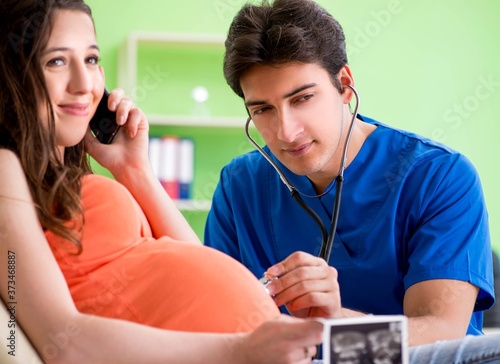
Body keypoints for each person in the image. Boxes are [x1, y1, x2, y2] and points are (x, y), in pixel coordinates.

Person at [0, 0, 326, 363]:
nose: (84, 84)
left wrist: (134, 169)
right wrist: (239, 349)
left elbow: (193, 259)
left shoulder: (75, 181)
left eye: (91, 59)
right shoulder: (4, 169)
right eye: (56, 61)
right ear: (11, 73)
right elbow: (60, 340)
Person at [204, 0, 500, 362]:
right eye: (263, 109)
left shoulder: (440, 177)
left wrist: (336, 326)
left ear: (344, 85)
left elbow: (441, 334)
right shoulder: (239, 186)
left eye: (303, 98)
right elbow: (217, 323)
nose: (286, 131)